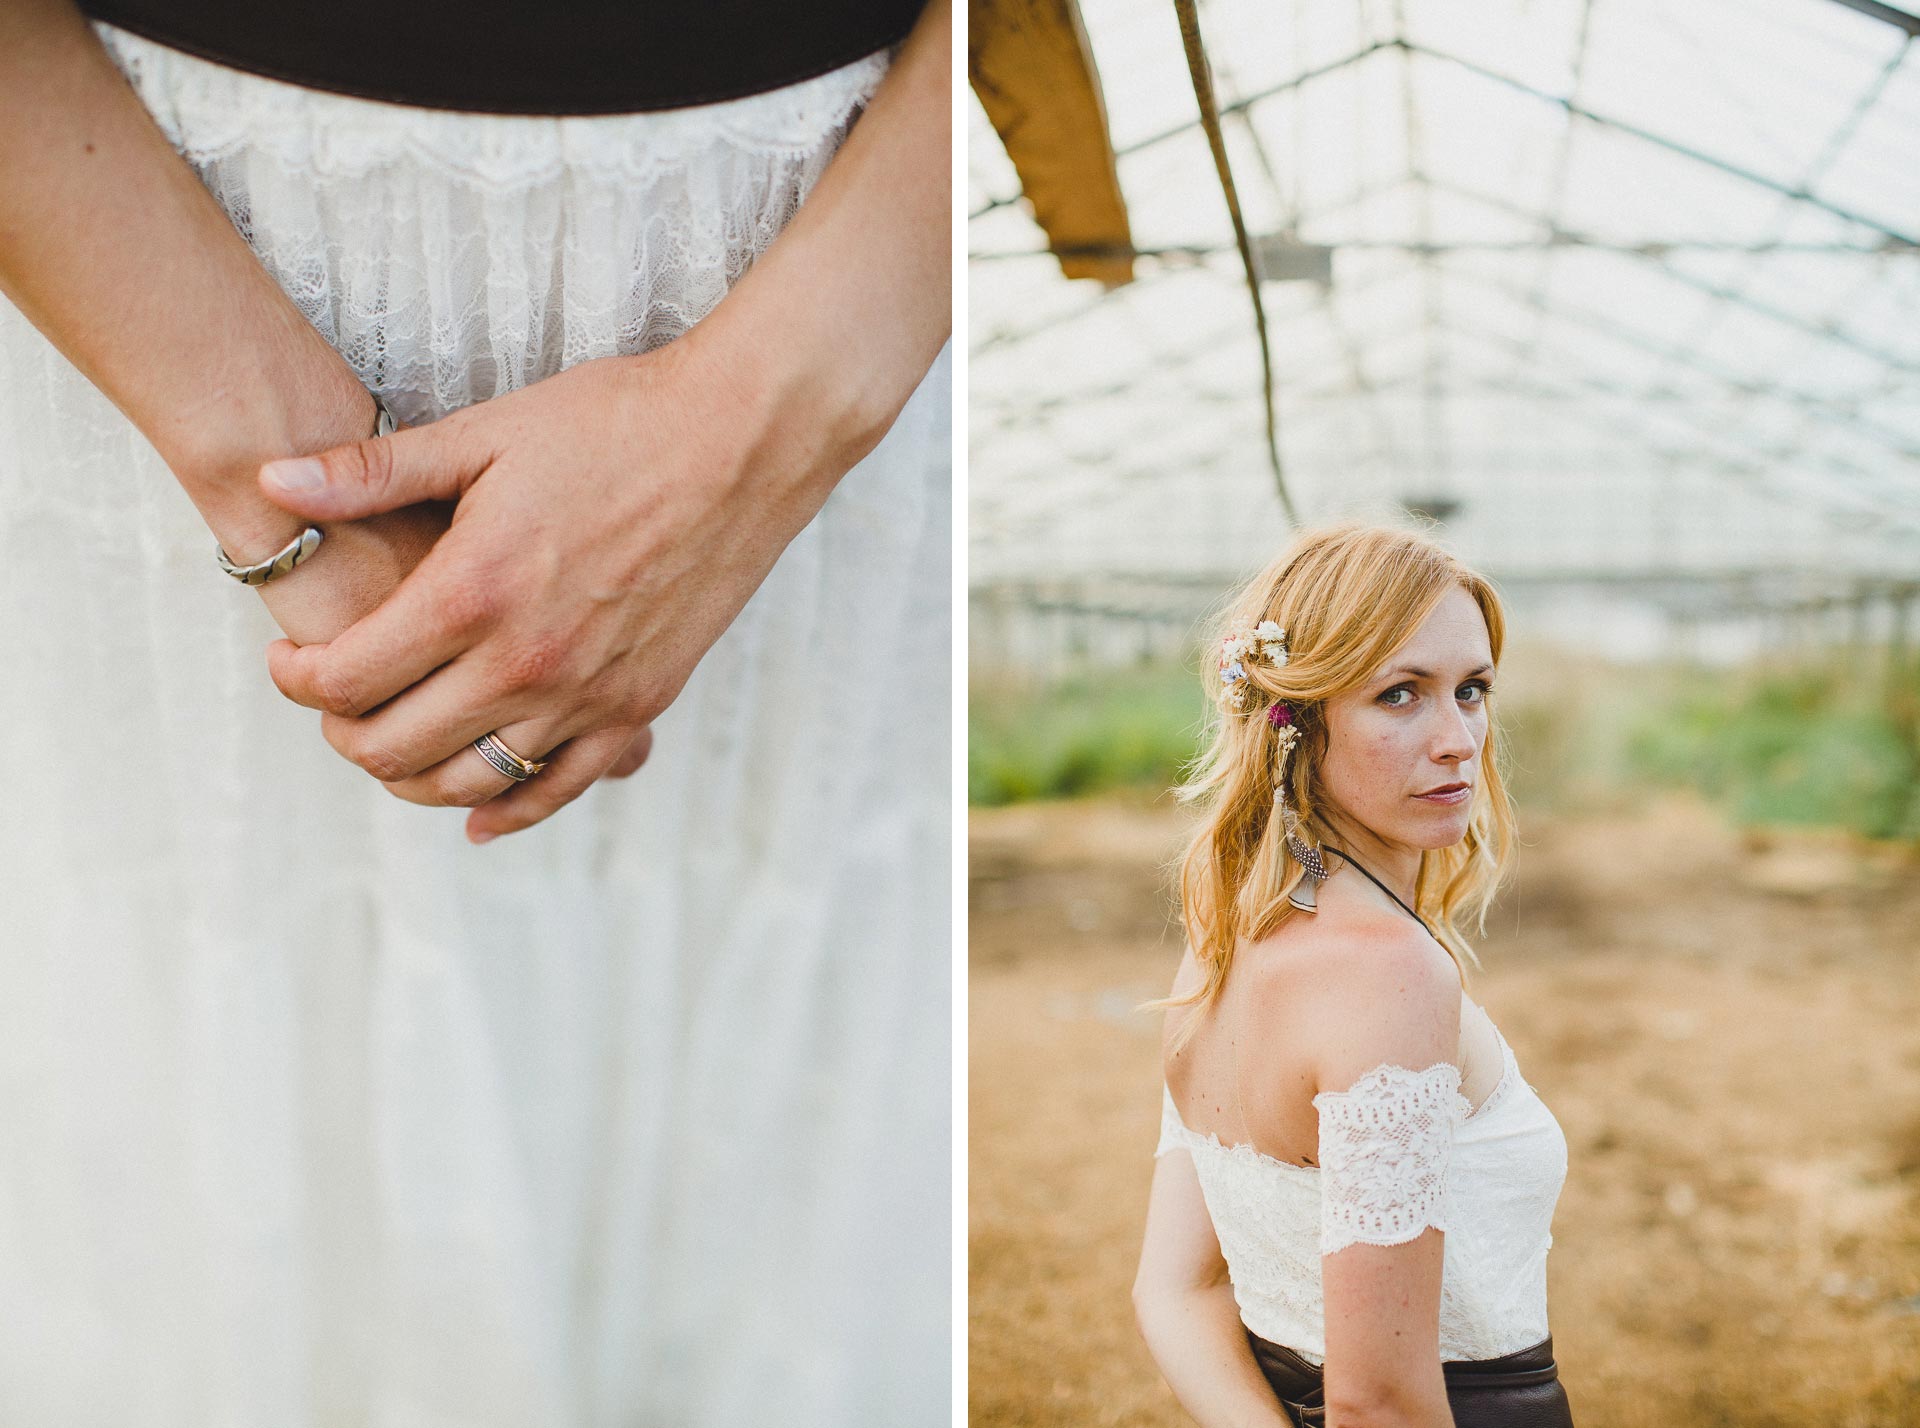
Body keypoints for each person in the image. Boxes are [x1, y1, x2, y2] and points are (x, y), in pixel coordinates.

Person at [0, 1, 949, 1423]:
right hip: (144, 267)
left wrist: (778, 411)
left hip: (833, 309)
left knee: (737, 1122)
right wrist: (280, 476)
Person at [1131, 524, 1575, 1428]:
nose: (1459, 739)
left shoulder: (1223, 936)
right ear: (1297, 720)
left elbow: (1176, 1294)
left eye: (1473, 689)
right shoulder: (1390, 977)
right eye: (1400, 694)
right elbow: (1379, 1406)